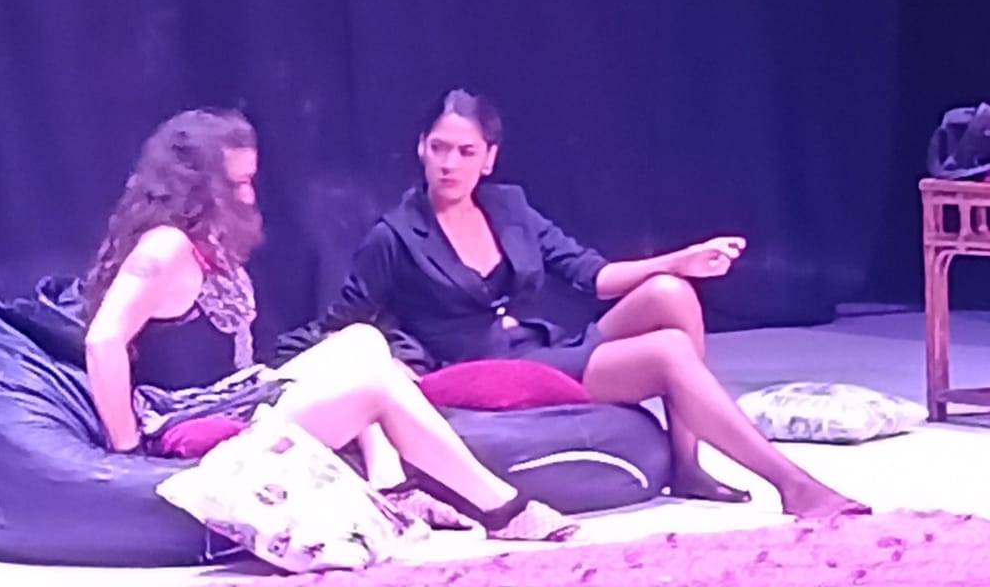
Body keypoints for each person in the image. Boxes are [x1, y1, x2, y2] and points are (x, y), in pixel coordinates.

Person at [296, 89, 869, 518]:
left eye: (466, 151)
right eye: (439, 148)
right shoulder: (395, 236)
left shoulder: (509, 207)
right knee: (668, 352)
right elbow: (344, 325)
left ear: (489, 158)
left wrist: (679, 260)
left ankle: (688, 464)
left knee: (670, 293)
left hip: (540, 348)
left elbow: (590, 275)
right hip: (482, 369)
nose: (450, 164)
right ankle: (792, 485)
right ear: (421, 150)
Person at [81, 107, 576, 541]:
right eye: (234, 185)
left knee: (362, 339)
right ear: (194, 184)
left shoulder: (203, 242)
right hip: (191, 425)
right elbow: (103, 340)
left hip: (236, 395)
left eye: (250, 181)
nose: (248, 197)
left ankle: (391, 488)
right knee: (374, 383)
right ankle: (500, 509)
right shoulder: (165, 246)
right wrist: (128, 455)